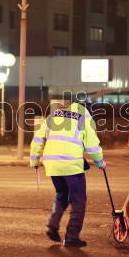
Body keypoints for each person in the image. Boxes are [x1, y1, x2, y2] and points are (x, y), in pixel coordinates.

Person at [30, 101, 106, 248]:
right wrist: (100, 163)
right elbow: (92, 147)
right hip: (71, 164)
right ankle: (72, 237)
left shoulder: (54, 115)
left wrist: (35, 161)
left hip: (52, 163)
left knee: (61, 194)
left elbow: (38, 138)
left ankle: (52, 225)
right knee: (78, 201)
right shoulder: (85, 118)